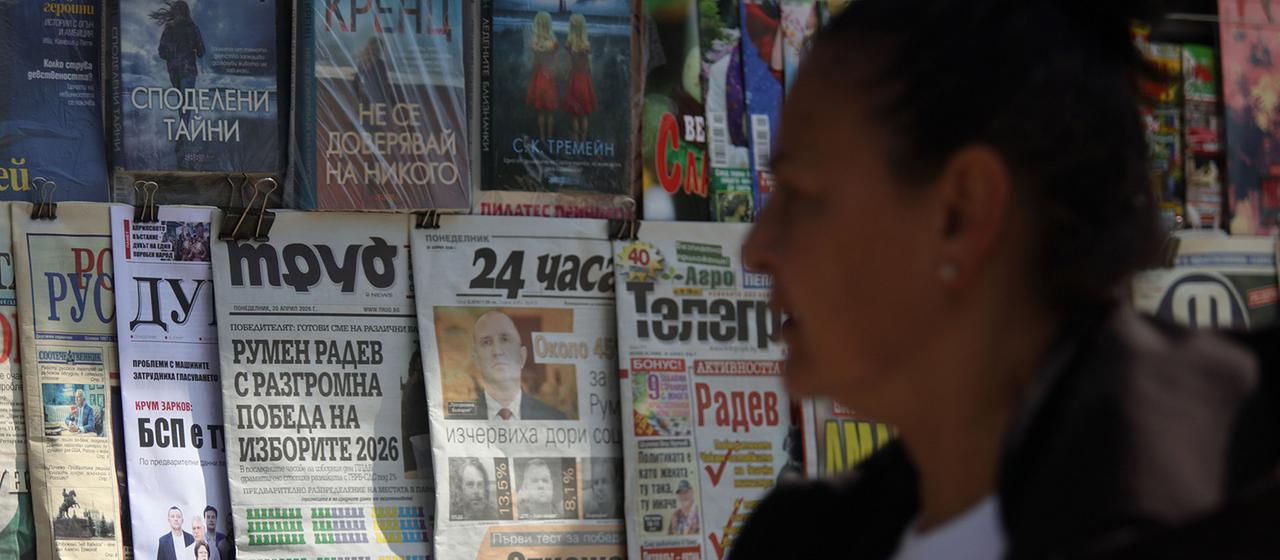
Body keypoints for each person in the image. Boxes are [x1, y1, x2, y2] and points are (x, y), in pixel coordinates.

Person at [730, 1, 1280, 559]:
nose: (757, 250)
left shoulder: (1221, 521)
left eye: (800, 195)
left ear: (961, 213)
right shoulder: (799, 539)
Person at [470, 311, 566, 420]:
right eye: (486, 342)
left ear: (522, 356)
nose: (497, 351)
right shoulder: (453, 423)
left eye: (505, 339)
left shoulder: (556, 418)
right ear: (476, 361)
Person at [562, 14, 596, 142]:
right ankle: (583, 140)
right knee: (584, 115)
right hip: (585, 80)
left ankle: (575, 140)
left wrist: (566, 75)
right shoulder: (587, 45)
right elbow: (590, 65)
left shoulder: (569, 45)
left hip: (574, 79)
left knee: (575, 116)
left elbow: (568, 64)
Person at [527, 11, 560, 142]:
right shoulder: (554, 43)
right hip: (550, 77)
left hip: (539, 78)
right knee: (550, 112)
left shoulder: (535, 44)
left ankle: (542, 137)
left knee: (540, 111)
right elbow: (556, 61)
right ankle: (550, 137)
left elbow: (534, 63)